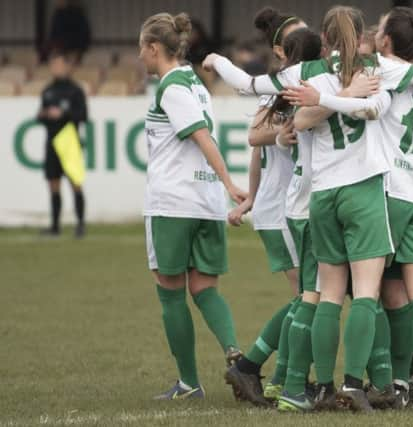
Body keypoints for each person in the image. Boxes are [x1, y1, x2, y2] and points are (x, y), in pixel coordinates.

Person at [204, 4, 413, 412]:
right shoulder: (376, 67)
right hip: (364, 189)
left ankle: (315, 385)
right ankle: (369, 384)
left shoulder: (306, 72)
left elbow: (248, 85)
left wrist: (216, 58)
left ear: (323, 38)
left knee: (322, 295)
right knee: (370, 292)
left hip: (319, 195)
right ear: (363, 35)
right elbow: (398, 97)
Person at [284, 6, 413, 409]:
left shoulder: (380, 75)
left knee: (357, 294)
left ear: (386, 42)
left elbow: (365, 110)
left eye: (382, 30)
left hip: (381, 193)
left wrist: (326, 98)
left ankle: (358, 382)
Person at [138, 12, 247, 400]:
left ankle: (188, 384)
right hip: (204, 204)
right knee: (205, 288)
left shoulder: (171, 87)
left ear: (154, 48)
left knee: (170, 291)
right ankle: (237, 358)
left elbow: (201, 137)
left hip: (173, 203)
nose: (140, 58)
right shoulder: (197, 84)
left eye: (142, 50)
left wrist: (231, 183)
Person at [223, 7, 306, 407]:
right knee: (306, 297)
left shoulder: (304, 85)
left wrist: (252, 195)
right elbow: (255, 136)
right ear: (281, 49)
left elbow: (257, 152)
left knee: (308, 296)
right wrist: (281, 135)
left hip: (280, 205)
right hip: (283, 211)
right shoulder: (279, 88)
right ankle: (253, 368)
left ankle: (278, 377)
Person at [37, 49, 87, 238]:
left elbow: (83, 116)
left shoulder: (75, 91)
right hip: (52, 142)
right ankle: (55, 226)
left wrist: (64, 114)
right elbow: (39, 116)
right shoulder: (47, 91)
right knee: (53, 183)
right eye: (53, 65)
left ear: (67, 66)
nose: (56, 68)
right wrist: (44, 115)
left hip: (69, 141)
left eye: (59, 64)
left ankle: (81, 225)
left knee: (75, 182)